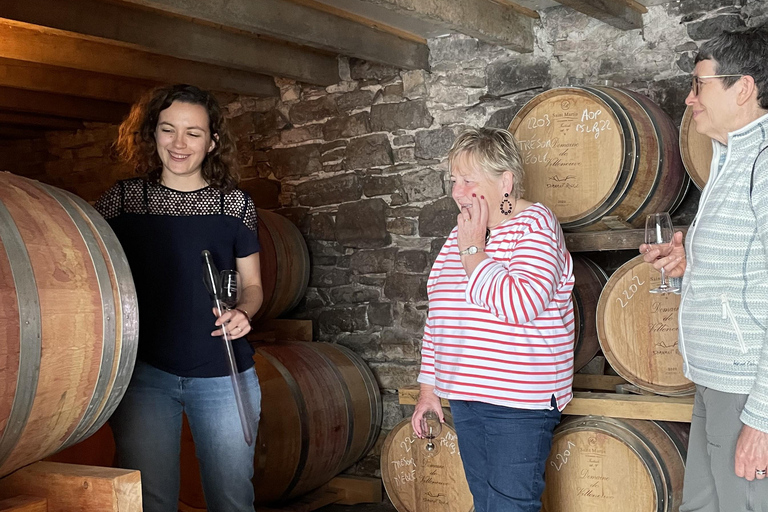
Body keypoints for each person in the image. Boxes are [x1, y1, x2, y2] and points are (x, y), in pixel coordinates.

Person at [95, 84, 263, 512]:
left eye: (193, 132)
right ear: (153, 134)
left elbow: (253, 286)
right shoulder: (122, 201)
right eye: (168, 130)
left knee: (231, 500)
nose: (179, 143)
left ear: (213, 141)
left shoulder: (234, 205)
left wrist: (244, 311)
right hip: (143, 377)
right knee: (151, 501)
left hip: (223, 374)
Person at [411, 127, 575, 512]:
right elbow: (440, 315)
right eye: (454, 180)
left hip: (518, 399)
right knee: (485, 503)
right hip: (466, 395)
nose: (457, 191)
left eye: (469, 180)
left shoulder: (537, 225)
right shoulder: (462, 232)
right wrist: (429, 390)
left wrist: (473, 252)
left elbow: (521, 304)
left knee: (510, 507)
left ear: (506, 182)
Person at [640, 26, 768, 512]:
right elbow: (743, 270)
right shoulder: (729, 160)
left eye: (699, 85)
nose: (690, 99)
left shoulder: (763, 163)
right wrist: (685, 266)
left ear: (744, 88)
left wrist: (761, 418)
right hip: (715, 380)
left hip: (745, 392)